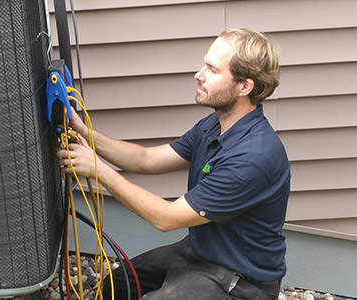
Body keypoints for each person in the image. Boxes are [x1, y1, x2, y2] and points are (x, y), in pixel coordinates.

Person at [57, 28, 290, 300]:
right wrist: (85, 132)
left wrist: (97, 170)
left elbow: (166, 218)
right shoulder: (215, 125)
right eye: (204, 64)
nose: (198, 75)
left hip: (241, 282)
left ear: (244, 86)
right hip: (198, 252)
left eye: (212, 70)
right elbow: (147, 160)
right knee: (115, 287)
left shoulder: (253, 158)